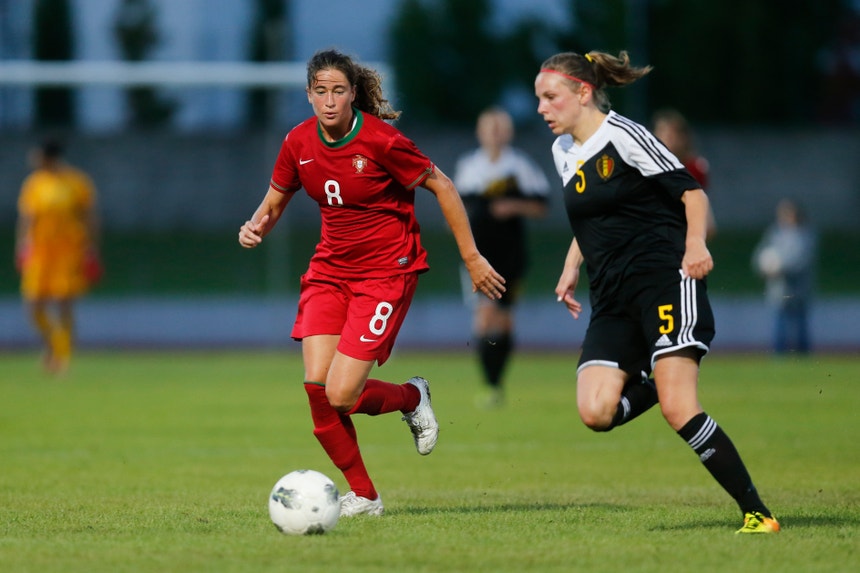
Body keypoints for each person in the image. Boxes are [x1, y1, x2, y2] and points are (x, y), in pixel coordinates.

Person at [238, 49, 505, 517]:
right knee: (317, 393)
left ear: (353, 93)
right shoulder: (298, 142)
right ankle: (364, 495)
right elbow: (275, 200)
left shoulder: (381, 140)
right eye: (320, 91)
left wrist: (471, 256)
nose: (329, 101)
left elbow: (441, 184)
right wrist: (256, 224)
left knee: (342, 394)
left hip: (385, 274)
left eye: (338, 91)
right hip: (328, 273)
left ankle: (411, 396)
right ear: (308, 94)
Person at [534, 50, 779, 534]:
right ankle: (651, 365)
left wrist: (695, 244)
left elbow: (691, 193)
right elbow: (591, 218)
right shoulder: (563, 151)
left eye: (550, 97)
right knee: (595, 411)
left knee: (677, 407)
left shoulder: (624, 136)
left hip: (666, 282)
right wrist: (570, 266)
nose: (542, 108)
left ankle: (757, 512)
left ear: (583, 93)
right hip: (612, 300)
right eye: (539, 99)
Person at [453, 106, 550, 407]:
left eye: (500, 128)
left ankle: (498, 382)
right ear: (480, 132)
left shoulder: (519, 167)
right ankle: (489, 383)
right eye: (489, 127)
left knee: (505, 319)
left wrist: (512, 206)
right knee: (484, 318)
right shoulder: (470, 167)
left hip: (510, 255)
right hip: (478, 255)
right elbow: (456, 208)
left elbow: (540, 205)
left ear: (508, 133)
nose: (495, 133)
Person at [15, 139, 101, 375]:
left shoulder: (76, 182)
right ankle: (54, 345)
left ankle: (62, 357)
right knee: (33, 304)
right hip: (41, 251)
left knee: (64, 303)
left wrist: (91, 249)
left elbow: (89, 216)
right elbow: (27, 218)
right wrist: (22, 246)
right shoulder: (34, 184)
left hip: (68, 250)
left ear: (49, 157)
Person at [752, 199, 816, 354]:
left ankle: (803, 356)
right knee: (779, 323)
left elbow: (801, 260)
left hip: (799, 289)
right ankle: (779, 355)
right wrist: (764, 267)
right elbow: (760, 255)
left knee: (800, 323)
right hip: (779, 290)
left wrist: (781, 267)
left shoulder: (805, 234)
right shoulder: (774, 233)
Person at [652, 108, 717, 238]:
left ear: (682, 138)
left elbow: (707, 224)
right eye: (660, 134)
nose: (664, 140)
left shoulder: (693, 168)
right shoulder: (647, 167)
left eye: (670, 136)